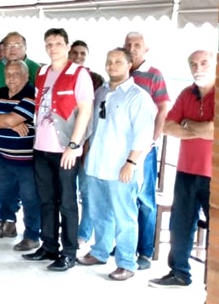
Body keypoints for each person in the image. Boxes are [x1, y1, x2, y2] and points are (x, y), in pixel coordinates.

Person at [77, 48, 156, 281]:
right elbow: (93, 127)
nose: (112, 66)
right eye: (109, 62)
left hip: (122, 167)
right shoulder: (100, 92)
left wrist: (131, 163)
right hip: (96, 165)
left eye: (118, 62)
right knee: (99, 213)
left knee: (125, 217)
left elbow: (144, 134)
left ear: (129, 65)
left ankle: (126, 263)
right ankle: (100, 252)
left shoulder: (137, 96)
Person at [23, 28, 93, 272]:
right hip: (41, 146)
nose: (53, 47)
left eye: (58, 43)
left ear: (67, 45)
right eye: (49, 43)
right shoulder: (42, 72)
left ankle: (70, 252)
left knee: (67, 202)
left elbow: (85, 110)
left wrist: (74, 145)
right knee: (46, 200)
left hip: (65, 149)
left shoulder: (78, 73)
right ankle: (49, 245)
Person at [149, 50, 215, 288]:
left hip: (214, 174)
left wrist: (188, 125)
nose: (198, 68)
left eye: (204, 62)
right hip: (186, 170)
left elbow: (213, 129)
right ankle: (179, 273)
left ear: (215, 63)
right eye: (193, 64)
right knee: (180, 225)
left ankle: (213, 283)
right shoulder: (187, 93)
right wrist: (200, 128)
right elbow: (167, 126)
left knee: (215, 230)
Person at [0, 32, 41, 228]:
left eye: (17, 44)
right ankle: (4, 219)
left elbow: (27, 111)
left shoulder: (36, 72)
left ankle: (31, 234)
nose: (12, 48)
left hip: (26, 151)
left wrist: (8, 120)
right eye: (8, 45)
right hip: (2, 143)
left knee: (29, 193)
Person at [124, 31, 169, 270]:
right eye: (129, 44)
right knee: (122, 198)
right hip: (120, 148)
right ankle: (123, 247)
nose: (132, 48)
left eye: (137, 45)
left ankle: (144, 252)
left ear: (146, 49)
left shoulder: (154, 74)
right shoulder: (121, 71)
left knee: (145, 199)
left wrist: (152, 139)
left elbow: (162, 108)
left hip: (143, 150)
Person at [69, 39, 105, 245]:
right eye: (75, 53)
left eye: (83, 53)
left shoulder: (96, 79)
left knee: (86, 190)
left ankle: (83, 233)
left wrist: (87, 142)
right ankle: (68, 229)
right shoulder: (63, 77)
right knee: (67, 190)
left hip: (87, 143)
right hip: (65, 140)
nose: (78, 57)